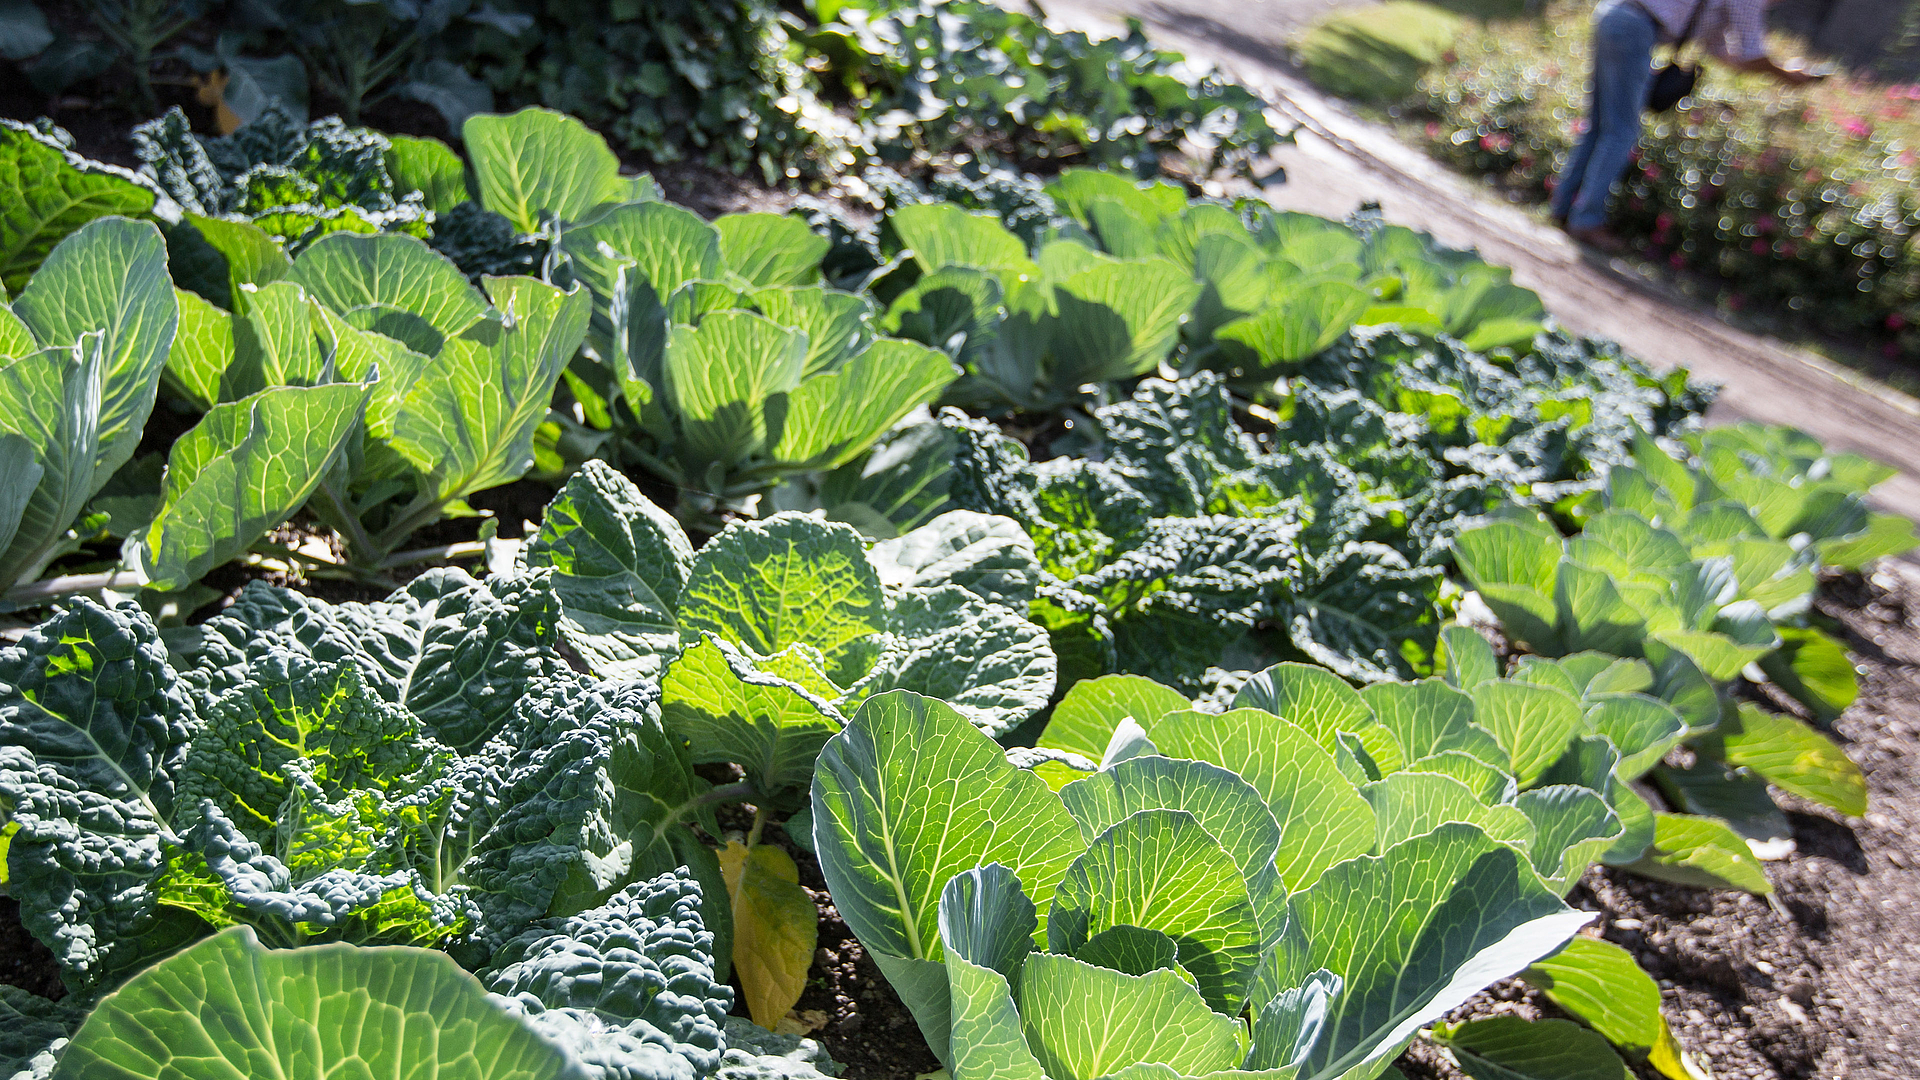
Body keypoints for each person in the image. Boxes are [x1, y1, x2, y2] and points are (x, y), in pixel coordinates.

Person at [1550, 0, 1824, 251]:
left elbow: (1723, 52)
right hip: (1635, 26)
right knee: (1622, 132)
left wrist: (1780, 72)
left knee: (1601, 125)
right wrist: (1786, 73)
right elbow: (1752, 52)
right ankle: (1586, 220)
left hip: (1616, 13)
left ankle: (1562, 207)